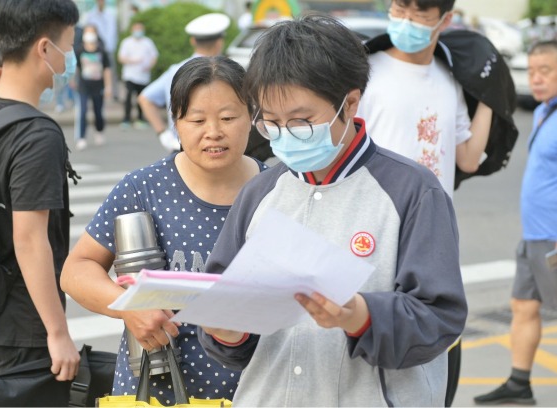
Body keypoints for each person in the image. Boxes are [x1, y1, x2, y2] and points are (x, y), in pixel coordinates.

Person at [196, 14, 467, 407]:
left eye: (302, 122)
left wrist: (359, 314)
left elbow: (439, 319)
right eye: (270, 123)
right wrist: (224, 329)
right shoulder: (259, 193)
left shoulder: (413, 191)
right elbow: (230, 329)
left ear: (351, 102)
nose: (285, 135)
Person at [60, 56, 268, 405]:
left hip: (257, 391)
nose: (213, 132)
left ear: (252, 117)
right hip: (158, 392)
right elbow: (77, 270)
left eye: (229, 118)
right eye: (197, 120)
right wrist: (127, 307)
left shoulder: (277, 191)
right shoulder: (142, 188)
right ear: (176, 123)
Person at [356, 2, 493, 404]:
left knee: (435, 353)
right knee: (372, 357)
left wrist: (491, 96)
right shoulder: (365, 70)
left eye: (420, 14)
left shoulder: (448, 77)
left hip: (434, 241)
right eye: (400, 8)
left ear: (445, 21)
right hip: (373, 237)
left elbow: (467, 157)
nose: (406, 21)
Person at [0, 0, 81, 405]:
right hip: (19, 330)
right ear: (45, 49)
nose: (71, 55)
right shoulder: (37, 135)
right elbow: (30, 240)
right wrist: (58, 332)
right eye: (69, 44)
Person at [473, 40, 557, 406]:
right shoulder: (544, 113)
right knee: (523, 304)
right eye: (532, 70)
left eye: (546, 71)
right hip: (534, 235)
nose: (536, 79)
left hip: (553, 237)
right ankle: (519, 384)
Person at [138, 13, 231, 153]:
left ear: (192, 41)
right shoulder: (227, 72)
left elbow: (144, 98)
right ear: (219, 42)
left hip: (180, 146)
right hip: (217, 147)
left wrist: (162, 133)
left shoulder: (175, 70)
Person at [73, 23, 111, 150]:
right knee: (82, 111)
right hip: (84, 85)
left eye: (92, 32)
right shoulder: (79, 50)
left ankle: (99, 131)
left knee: (98, 111)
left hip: (98, 85)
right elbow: (76, 67)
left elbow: (106, 70)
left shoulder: (101, 51)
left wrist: (108, 86)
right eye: (87, 32)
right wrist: (73, 80)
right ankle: (82, 137)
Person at [118, 22, 158, 130]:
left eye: (140, 29)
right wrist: (132, 61)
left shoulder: (148, 42)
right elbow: (121, 58)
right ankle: (126, 119)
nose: (138, 31)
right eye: (136, 29)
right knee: (128, 97)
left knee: (141, 98)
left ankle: (140, 119)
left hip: (143, 76)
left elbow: (154, 56)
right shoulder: (127, 42)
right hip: (130, 75)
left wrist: (149, 66)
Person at [85, 0, 119, 101]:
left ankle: (113, 94)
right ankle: (95, 94)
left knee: (111, 71)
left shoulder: (110, 15)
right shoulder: (90, 15)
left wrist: (112, 46)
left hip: (109, 48)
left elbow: (113, 32)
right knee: (95, 71)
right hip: (95, 48)